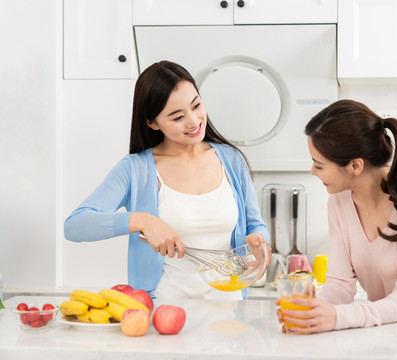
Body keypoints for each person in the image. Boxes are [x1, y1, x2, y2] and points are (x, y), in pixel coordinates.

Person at [64, 60, 270, 300]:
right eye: (177, 117)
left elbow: (255, 225)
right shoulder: (136, 169)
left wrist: (260, 242)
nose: (193, 121)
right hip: (165, 317)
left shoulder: (231, 160)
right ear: (152, 123)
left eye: (196, 105)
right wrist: (140, 220)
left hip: (230, 314)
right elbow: (75, 226)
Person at [277, 99, 397, 333]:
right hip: (389, 329)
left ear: (355, 166)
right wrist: (311, 311)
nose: (312, 171)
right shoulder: (338, 201)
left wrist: (336, 317)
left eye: (319, 165)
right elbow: (340, 285)